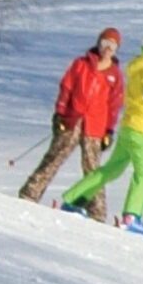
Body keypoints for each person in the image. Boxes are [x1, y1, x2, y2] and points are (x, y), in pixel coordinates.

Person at [60, 31, 143, 235]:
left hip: (130, 127)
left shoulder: (138, 65)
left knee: (111, 170)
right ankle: (131, 216)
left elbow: (141, 98)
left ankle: (73, 200)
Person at [19, 28, 125, 213]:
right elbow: (66, 88)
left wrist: (109, 130)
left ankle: (96, 210)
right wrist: (60, 113)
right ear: (98, 43)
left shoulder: (115, 74)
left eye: (112, 45)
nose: (107, 48)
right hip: (73, 119)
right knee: (55, 156)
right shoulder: (81, 64)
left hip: (95, 126)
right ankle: (31, 192)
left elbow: (114, 105)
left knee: (93, 169)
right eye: (105, 43)